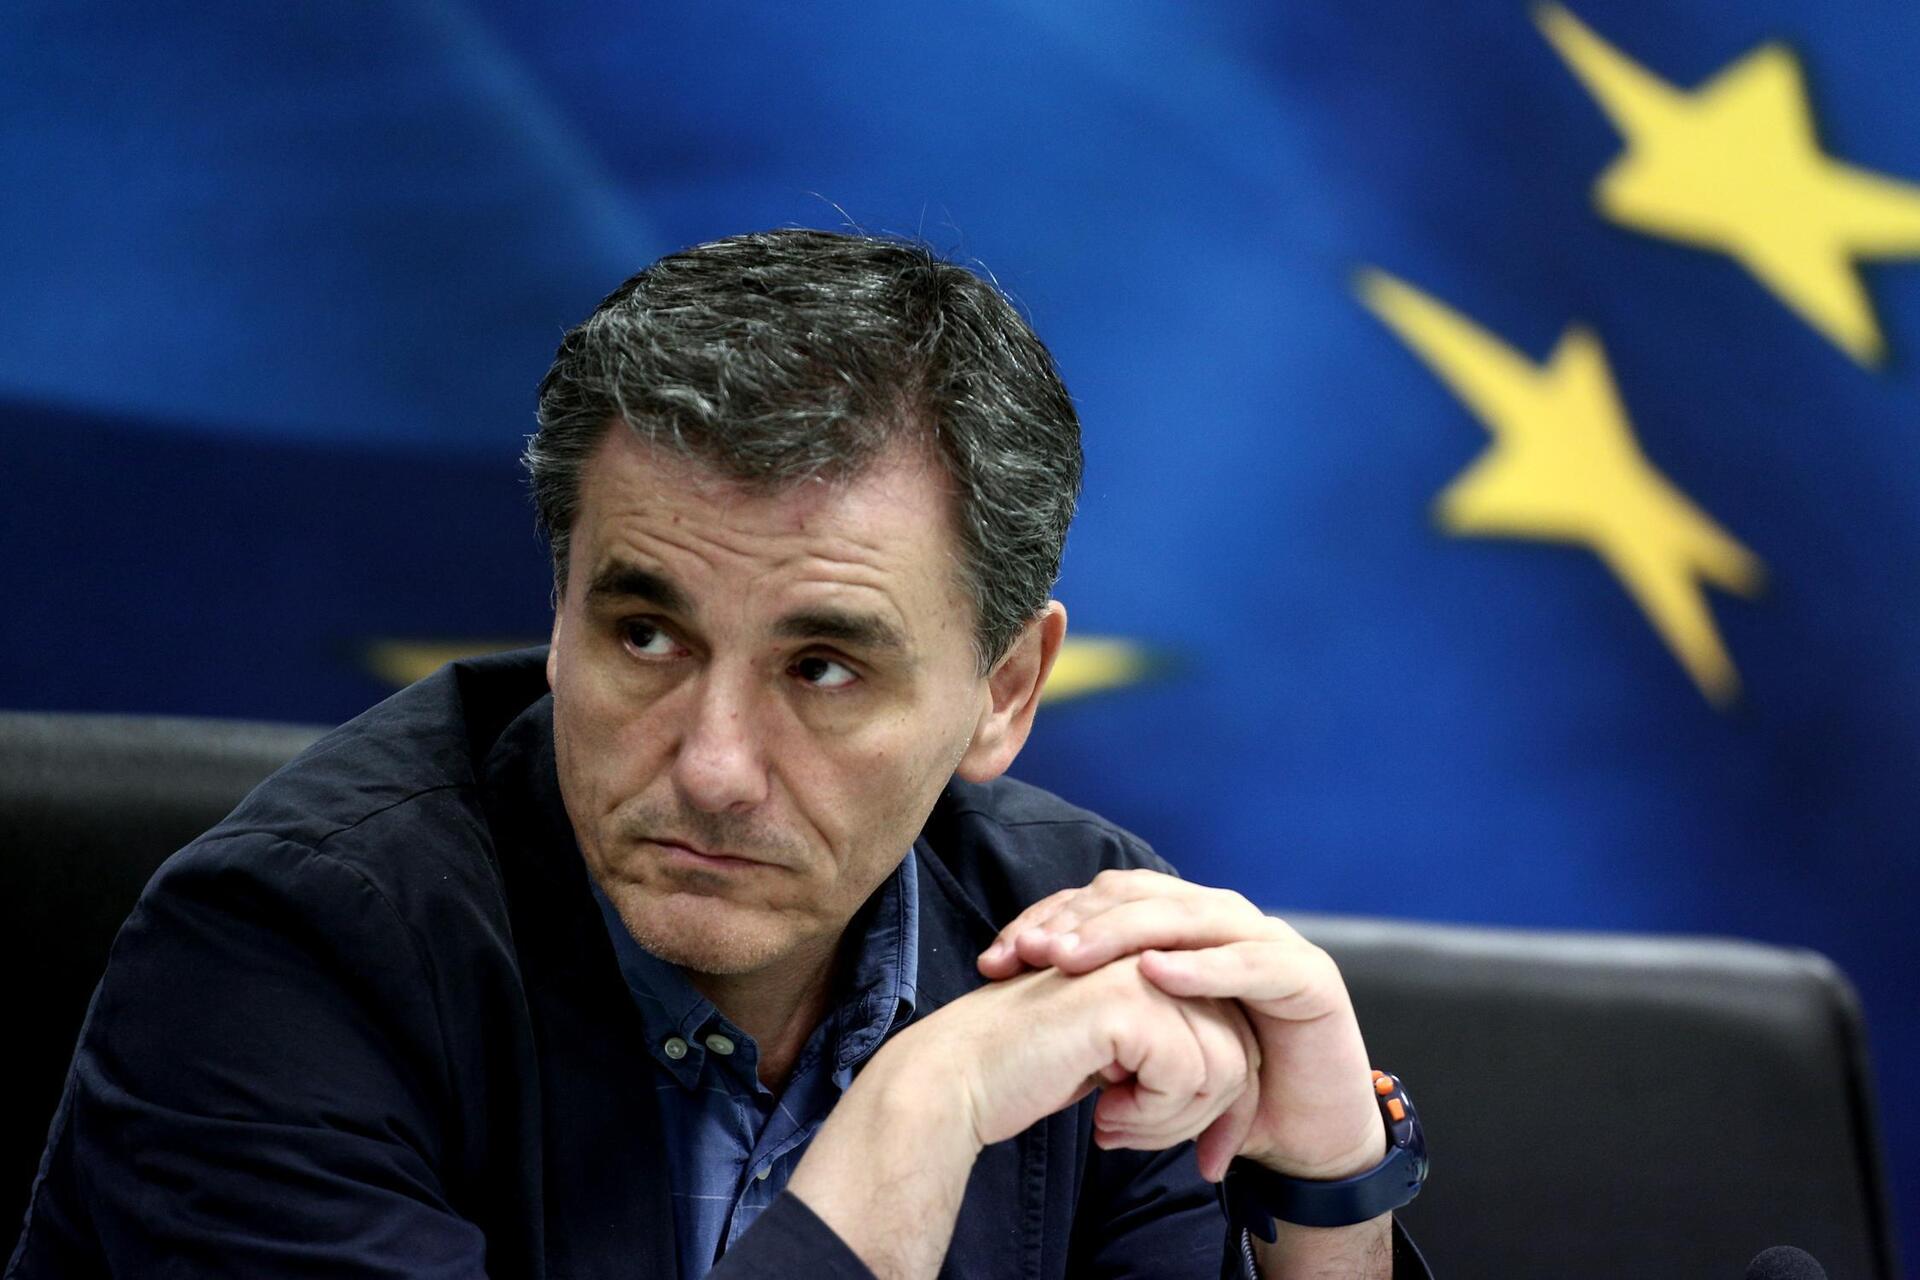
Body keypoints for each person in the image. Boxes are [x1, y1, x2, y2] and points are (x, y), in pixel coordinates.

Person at [7, 230, 1430, 1279]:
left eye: (822, 669)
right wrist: (920, 1113)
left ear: (1004, 693)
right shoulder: (279, 955)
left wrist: (1325, 1188)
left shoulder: (1065, 940)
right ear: (558, 615)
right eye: (644, 636)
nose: (713, 767)